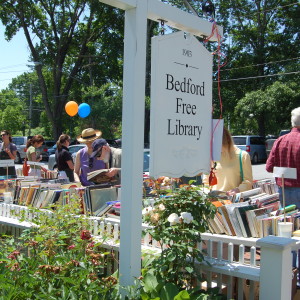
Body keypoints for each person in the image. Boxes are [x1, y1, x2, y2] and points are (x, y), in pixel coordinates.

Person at [266, 107, 300, 208]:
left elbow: (269, 167)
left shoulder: (280, 140)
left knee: (288, 222)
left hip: (284, 192)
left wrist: (288, 172)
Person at [204, 126, 253, 196]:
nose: (213, 147)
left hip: (233, 201)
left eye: (215, 143)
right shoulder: (211, 156)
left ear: (226, 141)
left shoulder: (243, 156)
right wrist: (207, 192)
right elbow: (206, 181)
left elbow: (248, 181)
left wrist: (238, 189)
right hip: (213, 202)